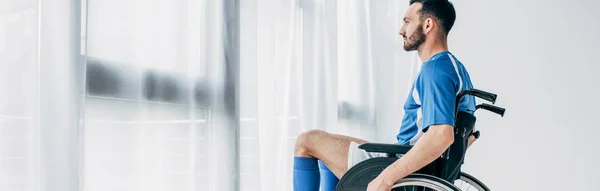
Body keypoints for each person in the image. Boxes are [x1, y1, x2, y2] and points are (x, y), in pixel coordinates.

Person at [292, 0, 477, 191]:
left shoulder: (435, 70)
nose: (401, 30)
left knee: (307, 141)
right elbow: (466, 134)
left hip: (405, 167)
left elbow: (441, 135)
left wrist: (386, 178)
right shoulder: (455, 68)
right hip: (412, 160)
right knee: (328, 151)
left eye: (407, 21)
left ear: (428, 25)